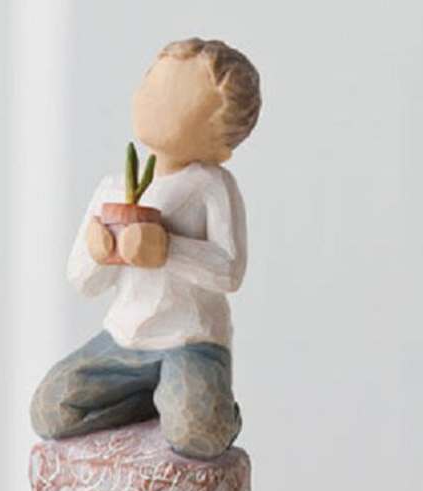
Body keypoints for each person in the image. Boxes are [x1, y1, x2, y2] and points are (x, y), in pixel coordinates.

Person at [31, 38, 262, 460]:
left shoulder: (211, 185)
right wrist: (98, 253)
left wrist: (167, 249)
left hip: (190, 341)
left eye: (175, 98)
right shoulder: (114, 188)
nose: (152, 100)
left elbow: (229, 271)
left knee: (197, 433)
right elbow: (83, 282)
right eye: (151, 85)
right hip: (123, 341)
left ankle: (206, 408)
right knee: (51, 408)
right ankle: (156, 400)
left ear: (219, 146)